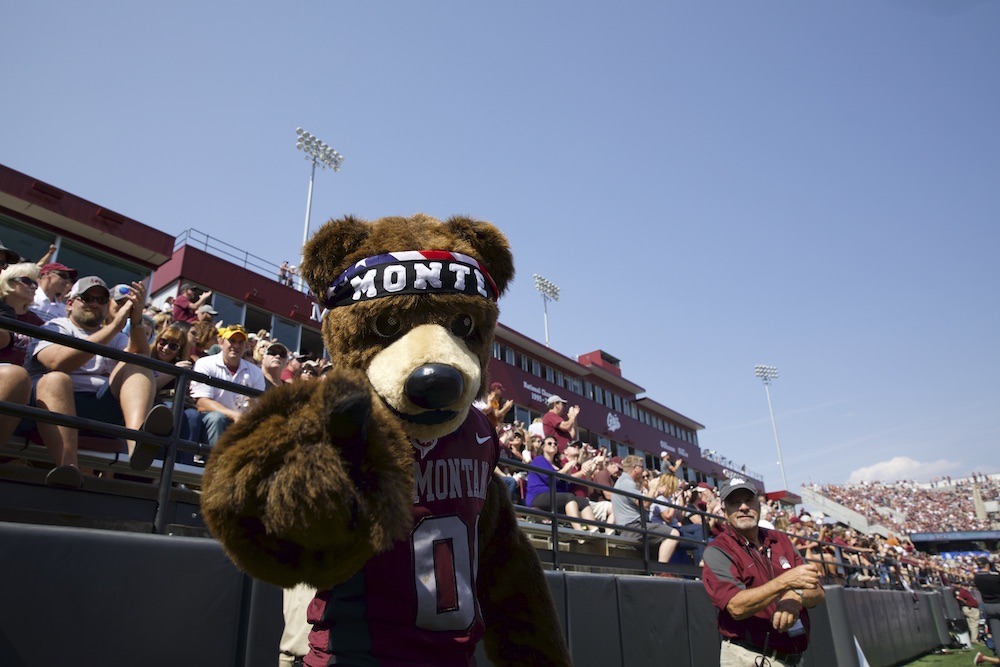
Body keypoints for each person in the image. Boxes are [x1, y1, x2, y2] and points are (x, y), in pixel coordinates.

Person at [24, 276, 171, 488]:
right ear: (70, 303)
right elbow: (57, 362)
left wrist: (136, 320)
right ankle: (68, 470)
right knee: (56, 379)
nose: (94, 303)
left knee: (137, 361)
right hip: (54, 405)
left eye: (101, 300)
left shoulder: (119, 338)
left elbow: (142, 358)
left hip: (102, 406)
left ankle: (137, 439)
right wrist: (114, 327)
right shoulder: (55, 326)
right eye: (86, 297)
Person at [702, 477, 825, 666]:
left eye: (749, 500)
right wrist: (786, 583)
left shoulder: (780, 540)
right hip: (749, 658)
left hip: (794, 658)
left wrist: (795, 596)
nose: (743, 507)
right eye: (735, 502)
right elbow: (736, 606)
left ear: (759, 505)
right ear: (725, 512)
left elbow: (818, 592)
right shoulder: (718, 549)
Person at [189, 324, 266, 449]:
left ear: (246, 346)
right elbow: (202, 402)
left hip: (242, 421)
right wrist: (234, 415)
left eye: (241, 342)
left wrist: (251, 407)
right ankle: (215, 464)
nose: (236, 346)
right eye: (232, 341)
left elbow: (259, 406)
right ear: (220, 341)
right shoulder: (205, 363)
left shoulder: (256, 372)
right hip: (211, 419)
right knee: (217, 419)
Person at [611, 455, 682, 567]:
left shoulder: (624, 481)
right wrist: (653, 488)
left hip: (633, 526)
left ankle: (657, 571)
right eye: (641, 467)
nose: (643, 470)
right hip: (632, 527)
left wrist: (657, 492)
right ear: (635, 468)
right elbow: (644, 504)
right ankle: (661, 572)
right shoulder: (626, 482)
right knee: (673, 534)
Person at [0, 262, 40, 443]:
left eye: (35, 283)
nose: (33, 286)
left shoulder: (39, 324)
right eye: (26, 281)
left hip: (23, 386)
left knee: (17, 376)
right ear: (8, 282)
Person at [524, 436, 598, 532]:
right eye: (549, 443)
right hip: (537, 496)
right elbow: (550, 478)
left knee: (583, 501)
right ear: (543, 447)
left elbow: (565, 485)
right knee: (569, 497)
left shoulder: (558, 465)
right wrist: (566, 469)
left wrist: (571, 472)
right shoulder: (539, 460)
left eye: (555, 443)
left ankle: (594, 529)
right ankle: (579, 531)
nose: (553, 445)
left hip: (554, 498)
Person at [974, 557, 1000, 664]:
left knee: (997, 635)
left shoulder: (977, 578)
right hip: (998, 603)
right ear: (988, 565)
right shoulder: (995, 577)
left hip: (988, 606)